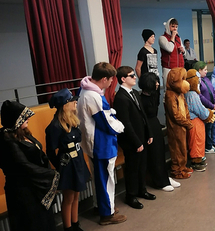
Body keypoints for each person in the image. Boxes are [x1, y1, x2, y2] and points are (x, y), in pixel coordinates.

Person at [77, 62, 127, 225]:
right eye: (111, 79)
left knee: (100, 178)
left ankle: (102, 206)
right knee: (106, 179)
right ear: (104, 79)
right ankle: (107, 214)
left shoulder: (85, 89)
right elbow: (105, 122)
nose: (113, 81)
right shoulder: (93, 96)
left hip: (93, 143)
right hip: (101, 144)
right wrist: (120, 126)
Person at [0, 100, 59, 231]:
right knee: (32, 224)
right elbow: (23, 165)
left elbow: (39, 152)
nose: (27, 118)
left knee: (45, 222)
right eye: (23, 116)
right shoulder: (7, 141)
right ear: (14, 120)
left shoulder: (23, 133)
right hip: (23, 193)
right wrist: (51, 175)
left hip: (36, 188)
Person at [45, 88, 91, 231]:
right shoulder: (54, 126)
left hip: (77, 161)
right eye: (72, 101)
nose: (75, 102)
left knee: (77, 194)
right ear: (65, 104)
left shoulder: (72, 120)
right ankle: (68, 227)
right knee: (68, 198)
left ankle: (75, 223)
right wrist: (59, 167)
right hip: (67, 165)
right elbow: (51, 151)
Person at [114, 66, 156, 209]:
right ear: (123, 79)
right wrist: (137, 142)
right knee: (132, 169)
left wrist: (149, 133)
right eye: (132, 76)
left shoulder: (135, 93)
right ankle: (130, 196)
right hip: (132, 141)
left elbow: (143, 116)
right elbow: (125, 123)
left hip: (142, 137)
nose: (135, 77)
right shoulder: (120, 97)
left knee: (142, 166)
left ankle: (142, 190)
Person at [138, 72, 181, 191]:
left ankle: (165, 177)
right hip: (147, 126)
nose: (158, 84)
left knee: (160, 151)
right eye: (155, 82)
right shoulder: (141, 98)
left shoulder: (154, 94)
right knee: (154, 154)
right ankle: (159, 181)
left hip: (155, 124)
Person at [185, 69, 215, 171]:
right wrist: (208, 113)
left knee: (198, 140)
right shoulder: (192, 94)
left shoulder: (190, 93)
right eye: (198, 79)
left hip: (196, 120)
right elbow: (199, 109)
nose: (199, 81)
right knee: (196, 141)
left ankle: (199, 157)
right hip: (194, 120)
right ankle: (196, 161)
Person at [165, 67, 193, 179]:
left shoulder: (180, 93)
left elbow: (185, 107)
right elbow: (175, 114)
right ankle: (176, 170)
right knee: (176, 148)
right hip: (175, 126)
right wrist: (186, 123)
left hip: (183, 125)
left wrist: (188, 120)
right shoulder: (170, 95)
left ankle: (183, 166)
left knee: (183, 147)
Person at [194, 61, 215, 154]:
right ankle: (207, 147)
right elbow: (200, 96)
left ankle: (210, 145)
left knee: (210, 127)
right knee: (207, 129)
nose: (206, 71)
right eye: (205, 70)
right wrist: (211, 105)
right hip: (205, 108)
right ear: (199, 70)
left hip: (212, 107)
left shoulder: (206, 79)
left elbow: (213, 91)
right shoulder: (198, 81)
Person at [159, 18, 185, 91]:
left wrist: (183, 51)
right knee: (168, 90)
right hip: (169, 68)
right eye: (173, 26)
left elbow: (184, 51)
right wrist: (173, 37)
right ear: (168, 27)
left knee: (180, 89)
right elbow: (170, 49)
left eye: (176, 27)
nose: (175, 29)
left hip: (179, 68)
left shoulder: (178, 38)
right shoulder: (162, 38)